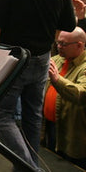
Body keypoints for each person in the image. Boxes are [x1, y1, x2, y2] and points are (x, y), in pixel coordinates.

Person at [0, 0, 76, 171]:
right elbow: (68, 24)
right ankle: (30, 165)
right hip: (42, 57)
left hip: (16, 57)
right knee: (32, 116)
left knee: (1, 116)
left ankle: (31, 169)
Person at [41, 27, 86, 169]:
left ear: (79, 45)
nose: (59, 47)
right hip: (49, 126)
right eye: (57, 43)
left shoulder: (84, 67)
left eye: (63, 44)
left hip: (71, 132)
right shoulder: (58, 59)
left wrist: (57, 79)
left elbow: (81, 94)